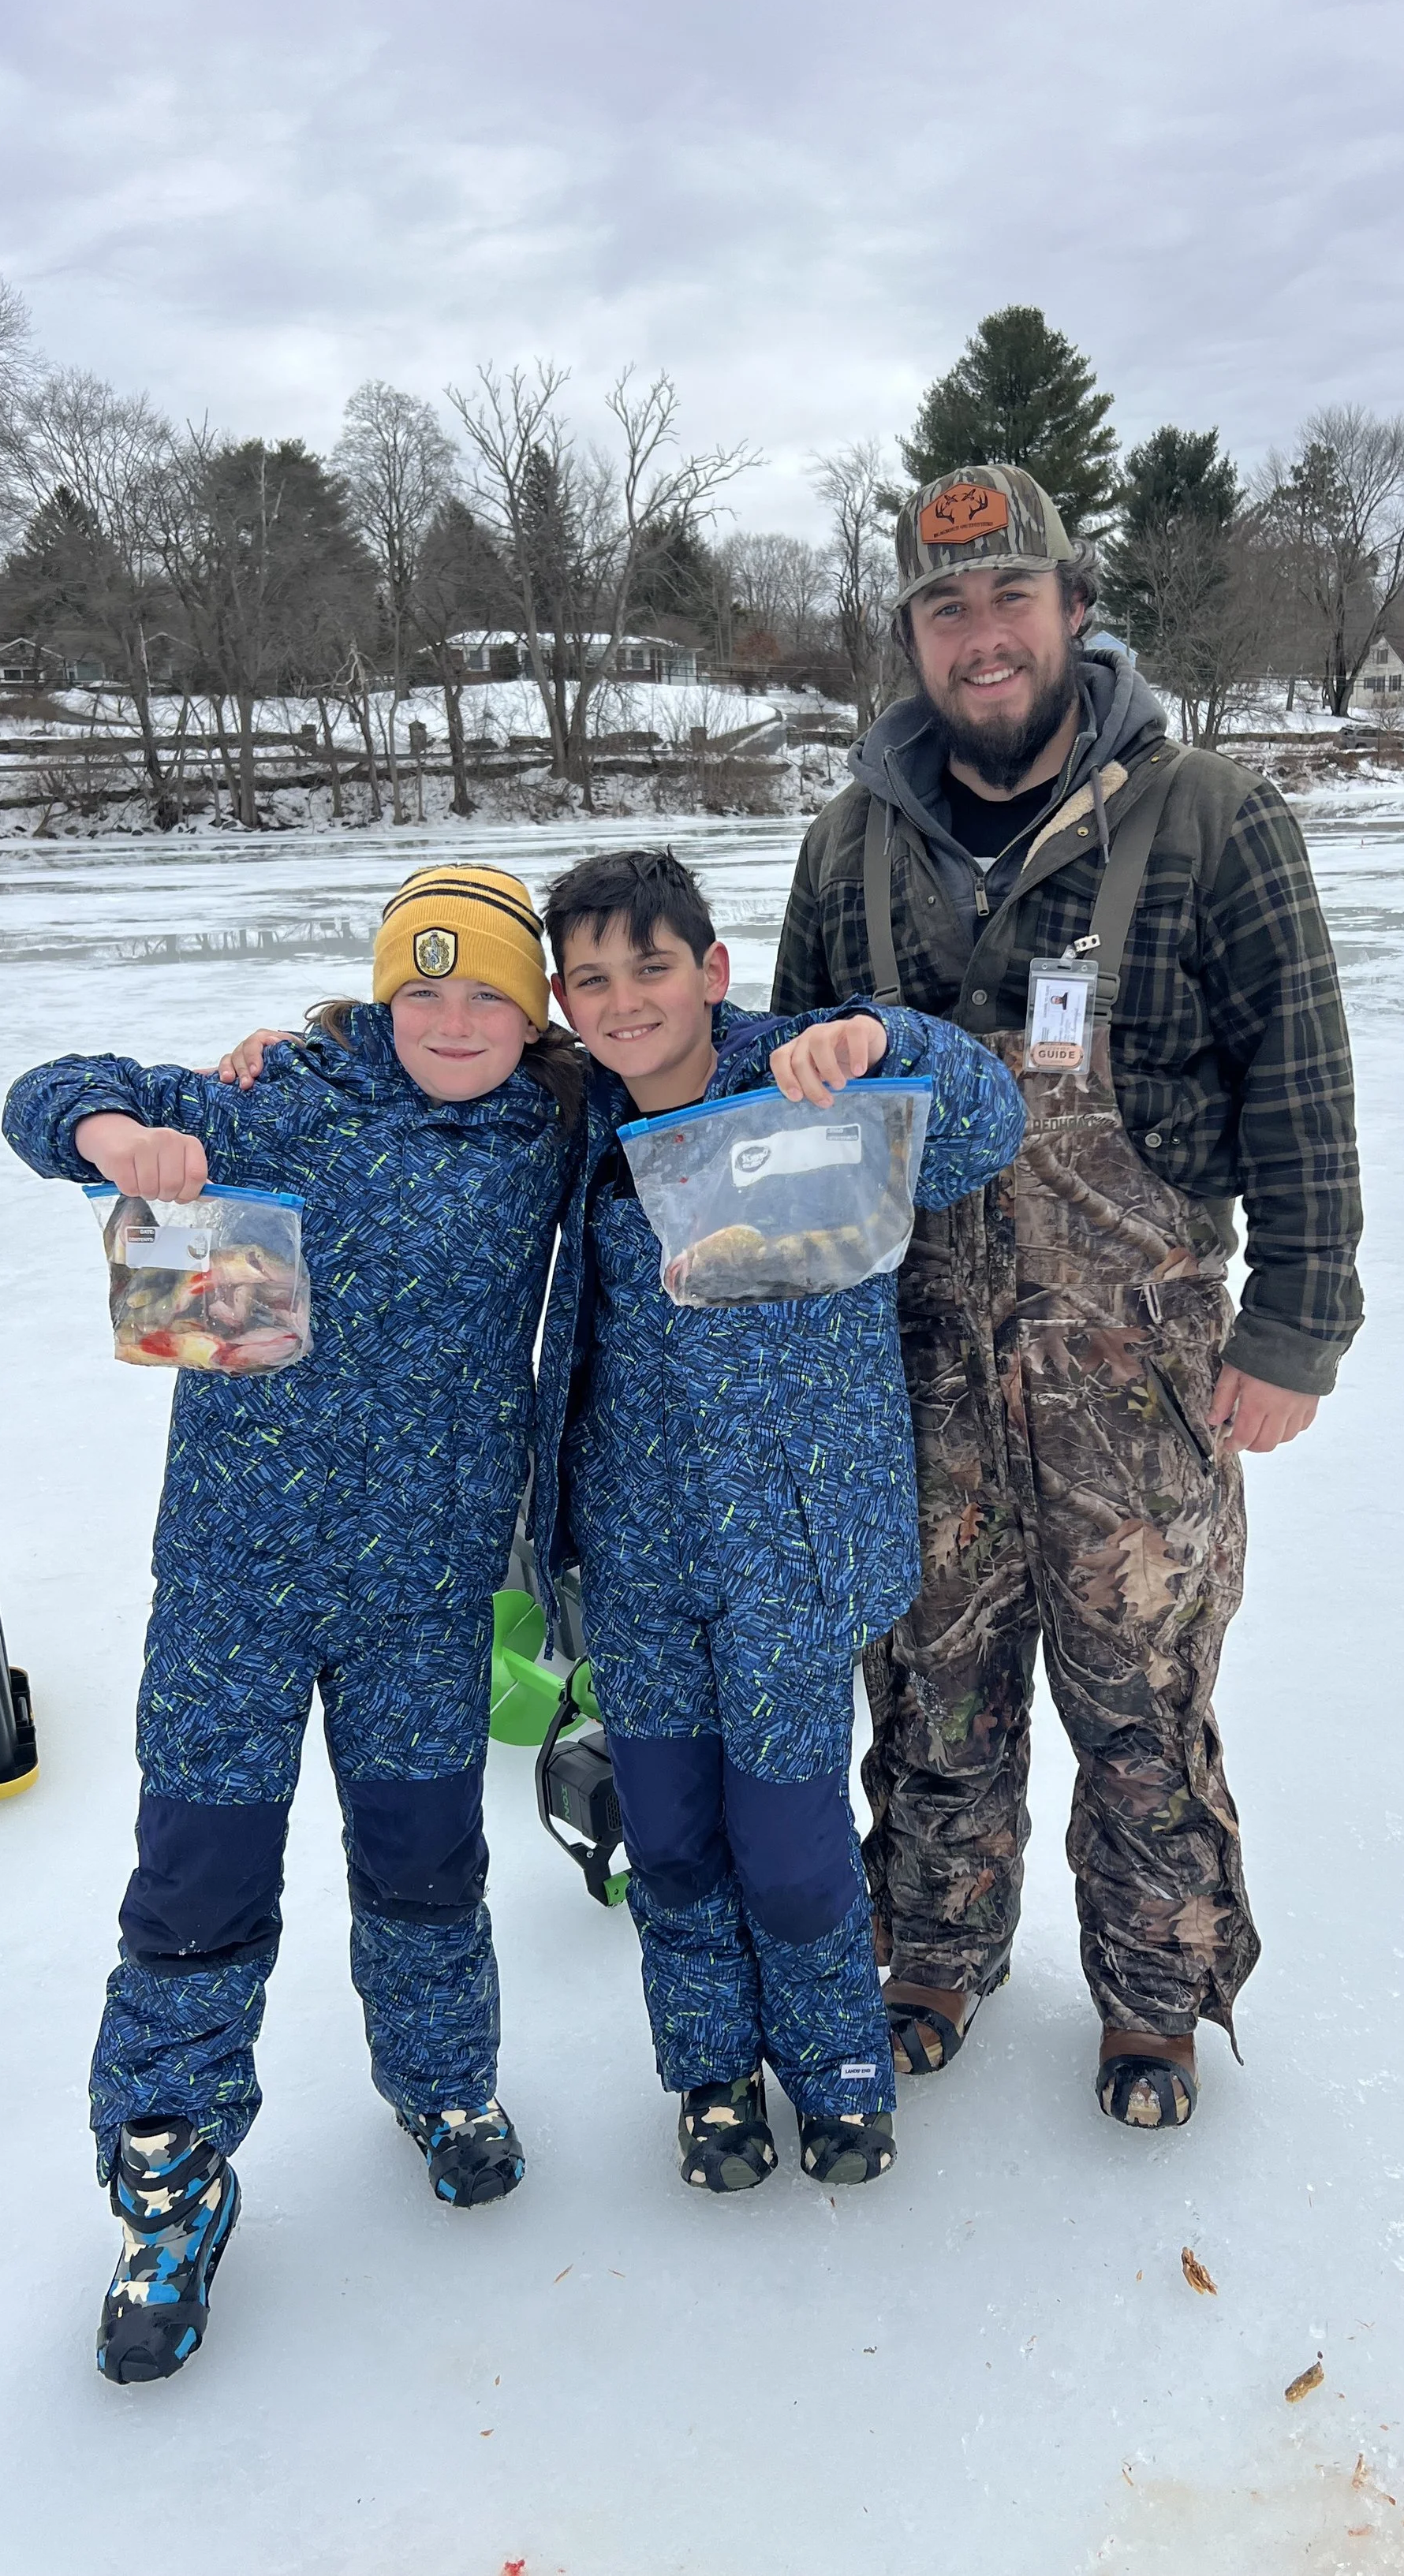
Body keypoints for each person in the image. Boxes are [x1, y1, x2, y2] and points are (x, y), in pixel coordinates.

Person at [770, 465, 1364, 2132]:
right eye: (944, 609)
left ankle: (1156, 1999)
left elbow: (1301, 1090)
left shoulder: (1211, 818)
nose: (981, 638)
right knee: (930, 1684)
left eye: (1008, 600)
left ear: (1072, 611)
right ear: (909, 635)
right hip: (908, 1373)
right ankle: (931, 1953)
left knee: (1139, 1705)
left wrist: (1294, 1328)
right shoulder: (846, 849)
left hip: (1137, 1377)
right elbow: (776, 1118)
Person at [2, 864, 577, 2385]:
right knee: (196, 1882)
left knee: (427, 1861)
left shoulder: (553, 1130)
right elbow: (48, 1089)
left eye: (487, 995)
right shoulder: (286, 1101)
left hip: (430, 1591)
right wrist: (122, 1137)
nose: (452, 1020)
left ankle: (445, 2087)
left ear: (532, 1014)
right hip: (235, 1587)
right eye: (422, 989)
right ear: (382, 996)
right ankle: (173, 2175)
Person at [528, 848, 1025, 2192]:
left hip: (790, 1555)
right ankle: (710, 2078)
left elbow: (982, 1124)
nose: (625, 1001)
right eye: (591, 980)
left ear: (713, 971)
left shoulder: (809, 1076)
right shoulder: (569, 1120)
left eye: (652, 966)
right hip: (637, 1552)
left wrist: (886, 1034)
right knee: (675, 1844)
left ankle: (839, 2071)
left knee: (795, 1851)